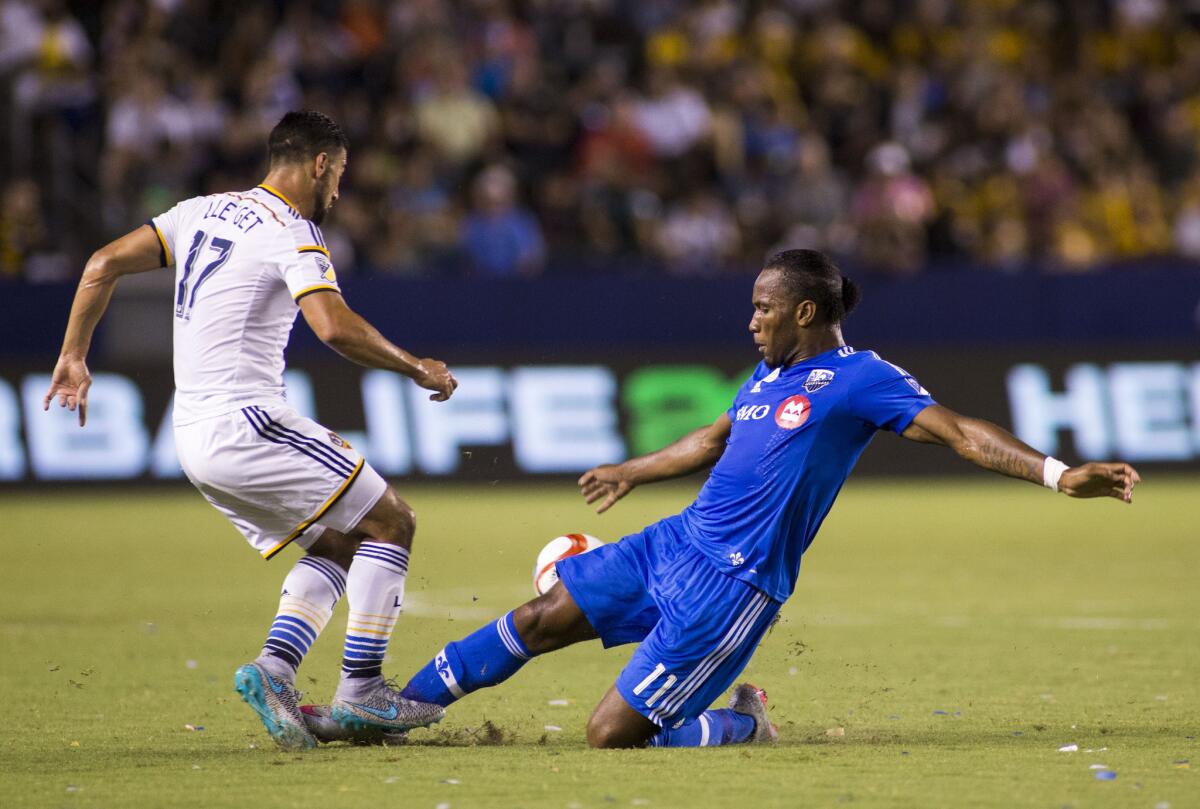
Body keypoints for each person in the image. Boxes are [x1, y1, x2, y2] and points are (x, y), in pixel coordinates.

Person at [389, 248, 1140, 749]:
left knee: (608, 735)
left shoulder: (861, 376)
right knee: (538, 616)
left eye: (763, 308)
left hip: (734, 585)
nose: (751, 320)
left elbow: (959, 432)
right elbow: (712, 441)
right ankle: (399, 707)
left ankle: (743, 723)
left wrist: (1058, 474)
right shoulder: (764, 378)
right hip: (675, 542)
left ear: (805, 312)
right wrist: (634, 469)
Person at [42, 110, 457, 750]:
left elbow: (100, 263)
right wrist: (416, 366)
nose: (340, 191)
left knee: (343, 539)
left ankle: (274, 671)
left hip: (192, 437)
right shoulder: (293, 231)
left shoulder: (196, 211)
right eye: (340, 174)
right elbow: (334, 327)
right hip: (246, 420)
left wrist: (73, 354)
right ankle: (363, 691)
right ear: (319, 164)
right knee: (392, 521)